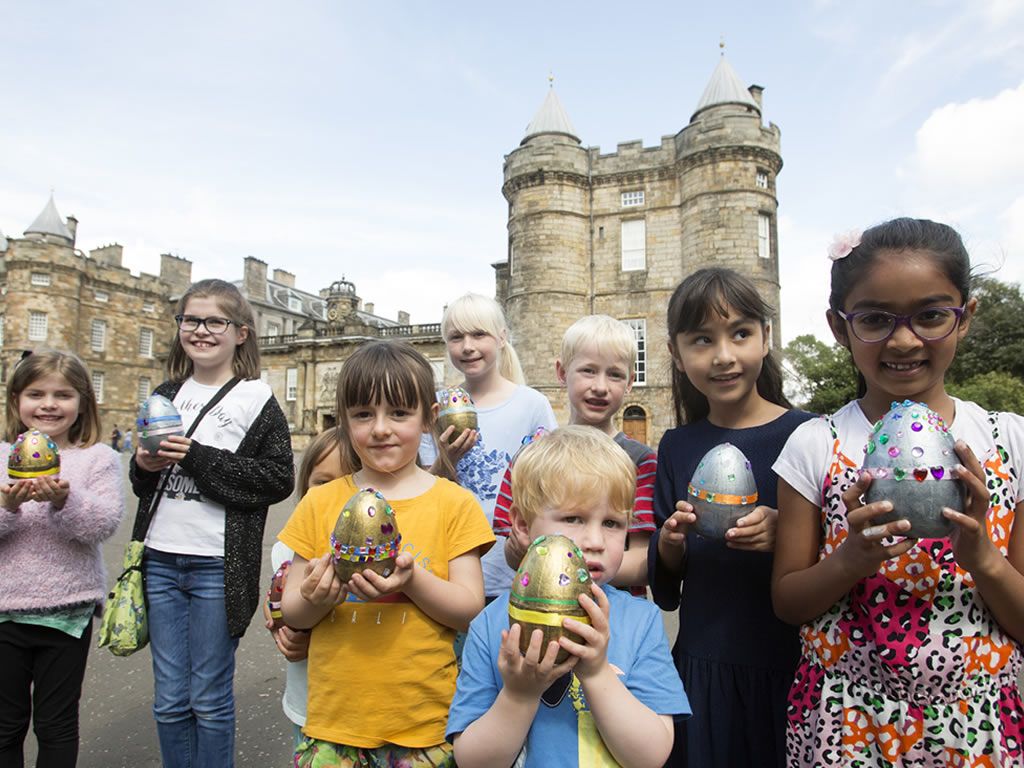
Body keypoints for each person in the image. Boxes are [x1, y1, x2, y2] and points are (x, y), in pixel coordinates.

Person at [772, 218, 1024, 766]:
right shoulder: (815, 445)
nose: (904, 340)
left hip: (977, 730)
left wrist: (984, 558)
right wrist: (851, 560)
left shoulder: (1009, 441)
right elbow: (788, 602)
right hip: (847, 726)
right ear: (839, 327)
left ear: (965, 317)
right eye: (875, 319)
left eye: (931, 315)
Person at [279, 339, 494, 767]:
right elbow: (293, 613)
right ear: (344, 420)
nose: (380, 428)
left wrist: (412, 580)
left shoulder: (454, 503)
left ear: (429, 418)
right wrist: (316, 598)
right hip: (335, 727)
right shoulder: (320, 502)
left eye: (398, 413)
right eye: (363, 414)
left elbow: (468, 609)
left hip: (424, 726)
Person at [647, 268, 814, 767]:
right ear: (677, 355)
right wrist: (670, 544)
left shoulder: (809, 436)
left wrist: (789, 531)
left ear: (766, 338)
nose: (723, 355)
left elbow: (838, 556)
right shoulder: (677, 445)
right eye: (702, 339)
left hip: (791, 666)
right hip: (703, 668)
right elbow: (667, 587)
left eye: (740, 333)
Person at [448, 426, 689, 768]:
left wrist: (597, 673)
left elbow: (651, 756)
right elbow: (472, 761)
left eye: (612, 523)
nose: (595, 541)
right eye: (573, 518)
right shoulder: (490, 624)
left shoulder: (640, 621)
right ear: (521, 524)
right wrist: (519, 695)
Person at [130, 279, 294, 768]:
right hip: (159, 558)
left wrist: (197, 456)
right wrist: (142, 465)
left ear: (241, 333)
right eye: (190, 320)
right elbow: (143, 486)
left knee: (208, 696)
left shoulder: (256, 398)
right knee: (169, 698)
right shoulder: (165, 393)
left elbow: (278, 478)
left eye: (214, 321)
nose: (200, 330)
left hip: (216, 565)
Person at [0, 349, 124, 767]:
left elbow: (103, 524)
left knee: (56, 725)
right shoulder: (1, 456)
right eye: (36, 394)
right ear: (16, 399)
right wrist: (8, 508)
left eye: (63, 395)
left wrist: (64, 501)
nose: (49, 404)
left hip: (67, 611)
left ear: (83, 403)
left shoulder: (98, 458)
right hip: (5, 611)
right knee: (5, 725)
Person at [495, 315, 657, 594]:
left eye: (615, 374)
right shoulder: (530, 457)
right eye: (588, 371)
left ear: (630, 381)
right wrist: (518, 547)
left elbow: (643, 561)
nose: (601, 386)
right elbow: (512, 552)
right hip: (545, 606)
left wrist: (570, 571)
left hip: (618, 609)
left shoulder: (640, 460)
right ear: (561, 372)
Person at [424, 293, 556, 600]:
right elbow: (421, 491)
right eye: (456, 337)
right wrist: (446, 461)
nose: (467, 346)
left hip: (516, 569)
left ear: (502, 337)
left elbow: (552, 485)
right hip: (450, 568)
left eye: (479, 334)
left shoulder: (532, 404)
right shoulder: (437, 407)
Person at [264, 428, 345, 747]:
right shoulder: (288, 549)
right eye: (322, 483)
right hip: (309, 705)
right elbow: (279, 602)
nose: (333, 496)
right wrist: (285, 629)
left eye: (348, 483)